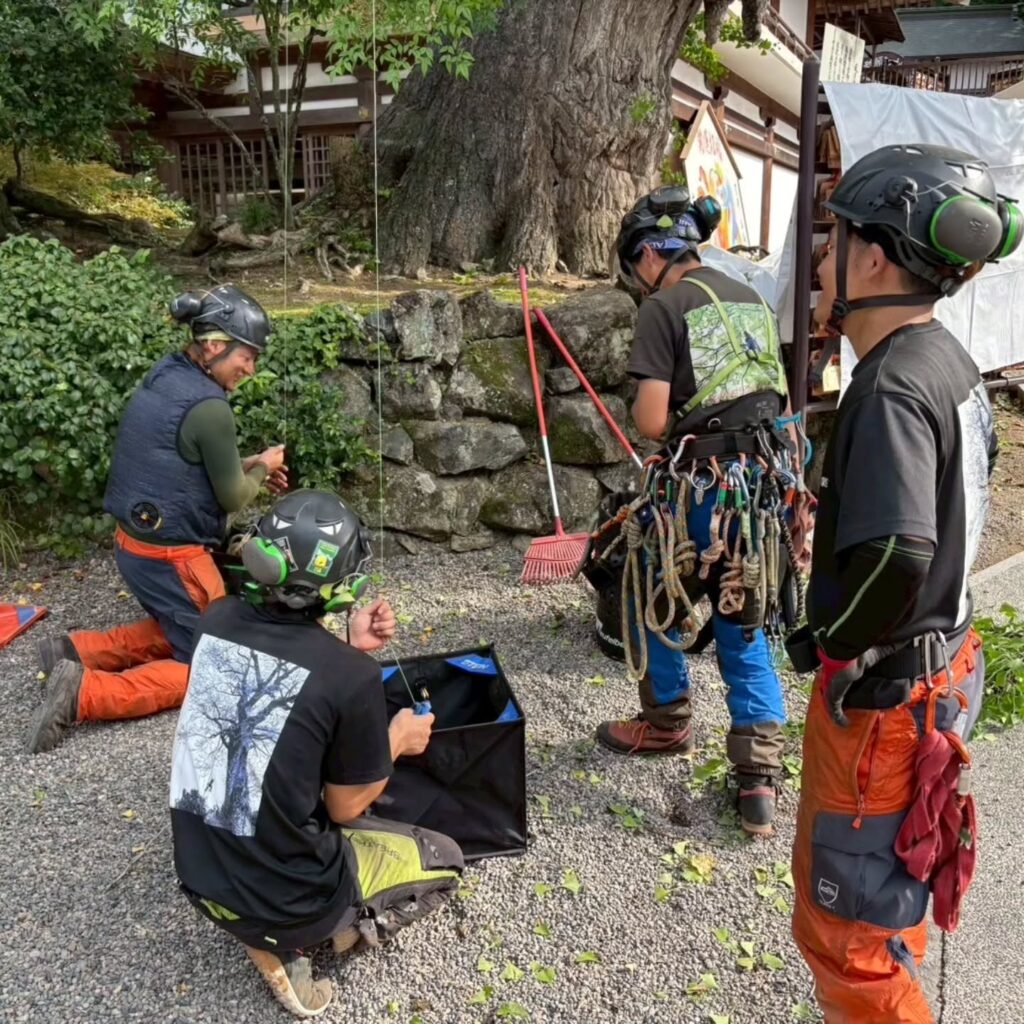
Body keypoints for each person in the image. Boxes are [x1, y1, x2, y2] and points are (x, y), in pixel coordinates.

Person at [791, 143, 1019, 1022]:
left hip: (887, 698)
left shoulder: (888, 388)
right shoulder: (947, 362)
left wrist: (830, 642)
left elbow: (897, 553)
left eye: (835, 240)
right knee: (886, 892)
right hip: (941, 665)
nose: (822, 262)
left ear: (876, 258)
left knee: (847, 943)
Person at [169, 489, 464, 1017]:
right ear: (343, 586)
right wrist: (398, 739)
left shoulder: (215, 620)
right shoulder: (351, 677)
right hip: (287, 904)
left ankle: (269, 926)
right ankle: (306, 941)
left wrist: (343, 644)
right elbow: (343, 807)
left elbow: (285, 692)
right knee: (446, 860)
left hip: (198, 877)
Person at [596, 185, 797, 836]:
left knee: (649, 593)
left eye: (636, 266)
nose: (639, 280)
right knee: (744, 622)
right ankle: (758, 782)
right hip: (757, 496)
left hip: (696, 493)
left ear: (651, 254)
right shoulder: (751, 299)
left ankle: (666, 722)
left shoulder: (665, 308)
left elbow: (654, 421)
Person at [26, 285, 288, 754]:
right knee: (217, 660)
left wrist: (246, 465)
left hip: (134, 547)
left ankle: (76, 651)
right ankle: (82, 693)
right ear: (214, 345)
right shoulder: (211, 407)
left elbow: (180, 457)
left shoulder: (168, 373)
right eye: (247, 356)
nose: (250, 368)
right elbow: (231, 495)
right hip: (173, 558)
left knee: (185, 623)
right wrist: (263, 467)